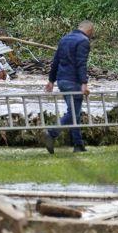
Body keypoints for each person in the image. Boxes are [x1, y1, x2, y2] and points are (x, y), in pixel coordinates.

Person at [44, 20, 94, 154]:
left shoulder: (64, 39)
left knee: (74, 113)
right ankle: (51, 133)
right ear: (89, 30)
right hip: (73, 81)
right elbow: (81, 63)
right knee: (73, 114)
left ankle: (78, 144)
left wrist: (51, 80)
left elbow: (56, 61)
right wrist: (84, 83)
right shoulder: (83, 41)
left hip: (62, 81)